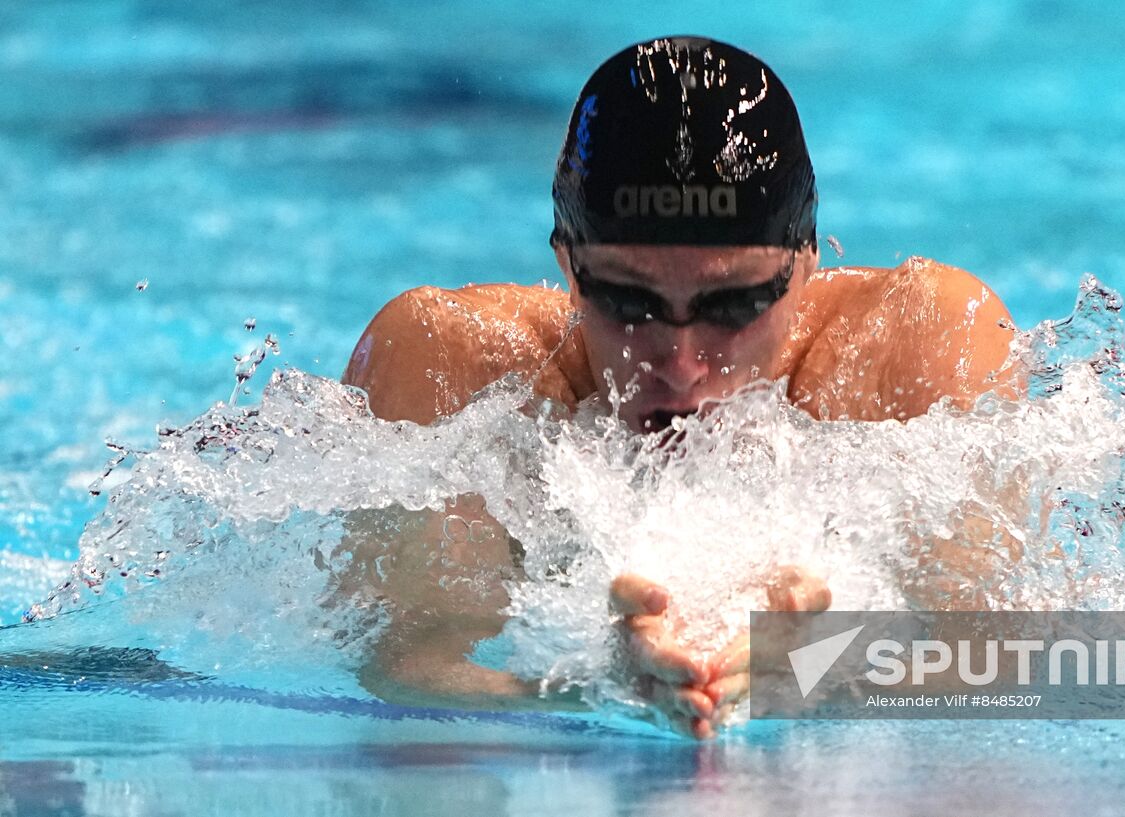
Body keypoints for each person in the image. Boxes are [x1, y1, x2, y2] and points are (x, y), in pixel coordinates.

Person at [341, 35, 1019, 739]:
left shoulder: (920, 343)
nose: (682, 364)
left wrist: (821, 670)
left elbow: (1023, 660)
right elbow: (405, 668)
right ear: (568, 265)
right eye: (629, 303)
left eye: (734, 305)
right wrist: (585, 682)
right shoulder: (453, 365)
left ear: (806, 263)